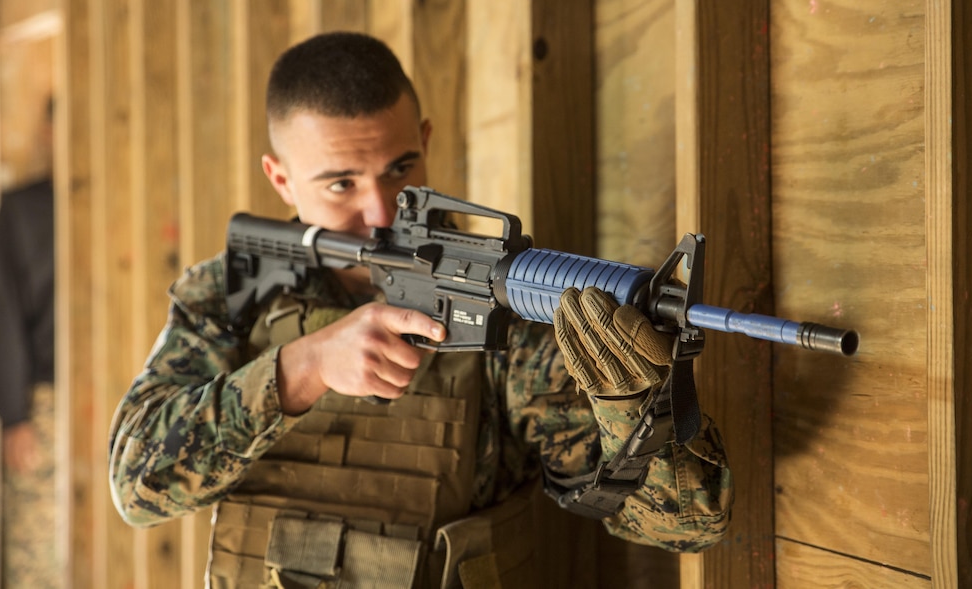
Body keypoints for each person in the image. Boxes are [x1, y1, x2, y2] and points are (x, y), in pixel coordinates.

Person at [108, 32, 732, 588]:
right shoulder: (230, 295)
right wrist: (302, 369)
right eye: (340, 183)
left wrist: (638, 407)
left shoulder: (497, 304)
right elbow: (135, 485)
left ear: (425, 140)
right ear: (280, 179)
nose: (379, 212)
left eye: (399, 169)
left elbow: (687, 527)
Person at [0, 97, 60, 588]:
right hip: (45, 403)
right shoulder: (20, 210)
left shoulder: (124, 204)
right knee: (38, 550)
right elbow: (3, 315)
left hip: (126, 392)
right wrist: (14, 415)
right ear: (46, 133)